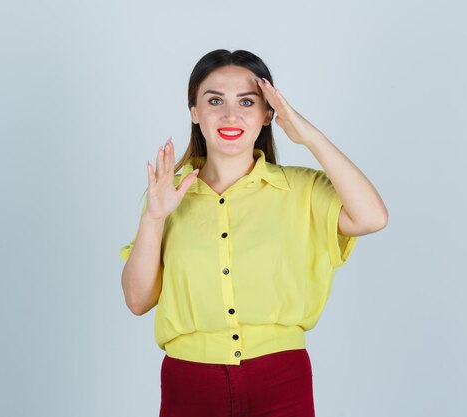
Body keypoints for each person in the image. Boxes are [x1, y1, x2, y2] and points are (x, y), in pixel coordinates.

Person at [119, 49, 388, 417]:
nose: (231, 115)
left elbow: (373, 217)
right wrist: (153, 218)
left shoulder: (301, 190)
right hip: (189, 382)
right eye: (215, 100)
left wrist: (307, 135)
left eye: (247, 102)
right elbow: (137, 301)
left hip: (281, 380)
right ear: (195, 113)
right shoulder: (167, 195)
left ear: (267, 114)